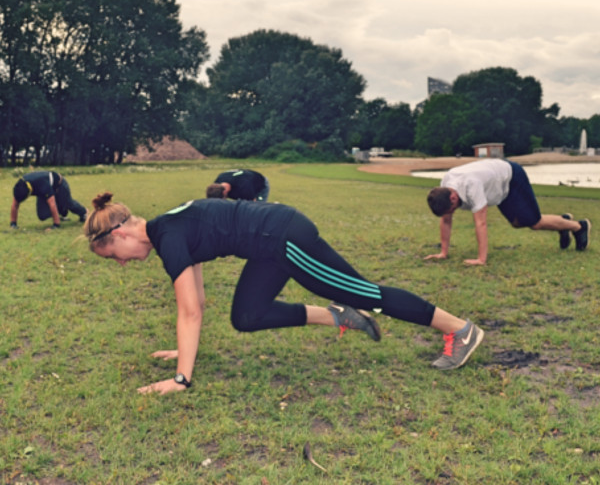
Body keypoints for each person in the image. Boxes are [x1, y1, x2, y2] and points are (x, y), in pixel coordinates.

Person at [83, 193, 484, 394]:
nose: (121, 263)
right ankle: (339, 315)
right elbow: (198, 303)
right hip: (267, 245)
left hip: (283, 240)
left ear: (118, 234)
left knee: (366, 293)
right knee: (247, 316)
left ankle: (460, 329)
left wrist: (181, 378)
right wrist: (183, 350)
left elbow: (189, 313)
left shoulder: (167, 237)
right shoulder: (166, 227)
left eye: (113, 255)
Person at [426, 159, 591, 266]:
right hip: (497, 187)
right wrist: (443, 253)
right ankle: (561, 223)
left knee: (534, 222)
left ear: (453, 198)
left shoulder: (471, 185)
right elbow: (446, 221)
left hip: (511, 177)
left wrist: (481, 259)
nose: (451, 214)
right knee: (517, 223)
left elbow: (480, 222)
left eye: (451, 210)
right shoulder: (446, 184)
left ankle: (578, 226)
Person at [11, 171, 87, 229]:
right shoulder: (19, 187)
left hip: (59, 185)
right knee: (42, 215)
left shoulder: (42, 185)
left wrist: (55, 225)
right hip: (43, 188)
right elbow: (15, 205)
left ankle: (84, 213)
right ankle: (61, 210)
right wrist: (13, 224)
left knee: (68, 203)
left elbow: (52, 204)